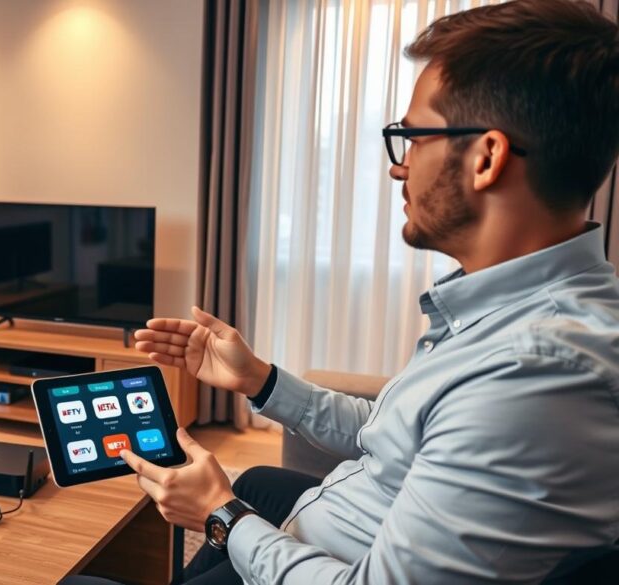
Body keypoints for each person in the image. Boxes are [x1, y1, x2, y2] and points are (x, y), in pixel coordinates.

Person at [66, 1, 619, 583]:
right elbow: (392, 431)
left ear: (486, 158)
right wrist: (261, 380)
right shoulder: (505, 312)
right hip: (331, 533)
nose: (399, 168)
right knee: (257, 482)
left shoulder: (530, 374)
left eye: (412, 137)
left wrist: (220, 515)